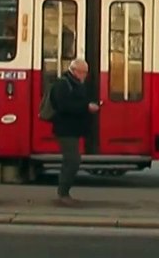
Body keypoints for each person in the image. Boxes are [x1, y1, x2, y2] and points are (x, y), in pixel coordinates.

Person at [50, 58, 100, 206]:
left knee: (71, 160)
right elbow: (64, 106)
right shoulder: (63, 84)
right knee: (72, 161)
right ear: (75, 71)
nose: (85, 75)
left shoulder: (75, 84)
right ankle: (63, 193)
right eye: (83, 72)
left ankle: (64, 192)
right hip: (65, 130)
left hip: (71, 129)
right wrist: (86, 107)